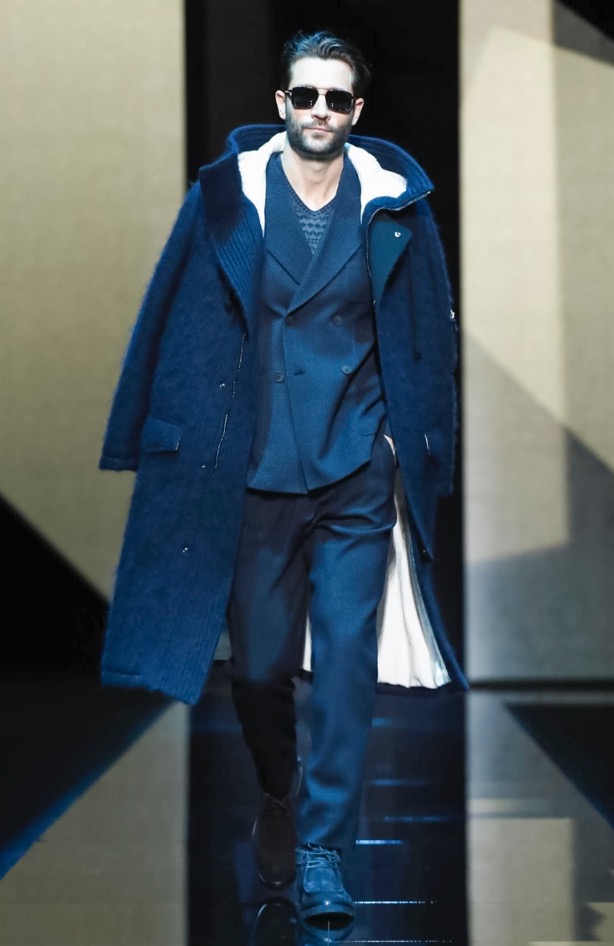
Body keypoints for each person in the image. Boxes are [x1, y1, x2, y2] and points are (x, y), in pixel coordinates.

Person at [98, 28, 467, 933]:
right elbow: (171, 312)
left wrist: (410, 446)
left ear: (356, 111)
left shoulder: (396, 205)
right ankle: (279, 791)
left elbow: (428, 334)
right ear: (282, 104)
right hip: (257, 469)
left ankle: (325, 851)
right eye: (306, 95)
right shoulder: (228, 197)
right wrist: (148, 429)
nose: (320, 112)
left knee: (344, 662)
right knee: (259, 669)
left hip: (355, 469)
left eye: (337, 99)